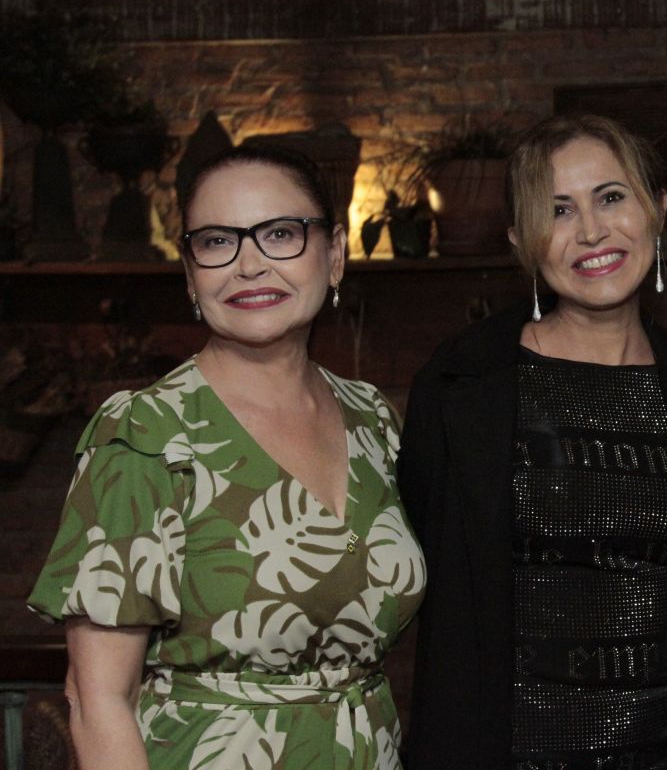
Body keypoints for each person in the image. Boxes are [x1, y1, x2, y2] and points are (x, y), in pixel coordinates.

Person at [400, 113, 667, 769]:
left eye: (611, 197)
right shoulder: (462, 386)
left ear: (657, 209)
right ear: (520, 240)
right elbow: (432, 594)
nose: (591, 231)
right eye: (557, 211)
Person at [28, 145, 425, 770]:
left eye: (280, 234)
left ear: (335, 254)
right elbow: (97, 698)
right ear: (191, 275)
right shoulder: (146, 434)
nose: (249, 264)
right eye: (217, 242)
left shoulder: (374, 418)